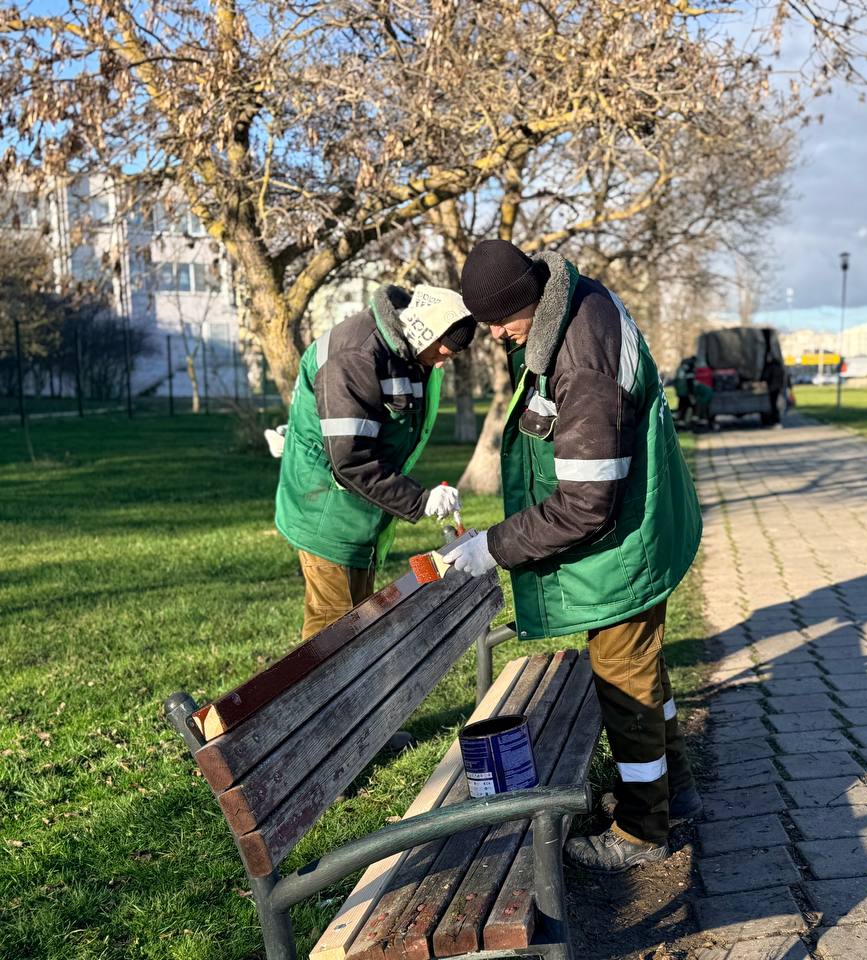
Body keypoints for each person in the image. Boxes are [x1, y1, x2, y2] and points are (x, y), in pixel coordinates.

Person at [442, 239, 703, 873]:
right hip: (639, 527)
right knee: (641, 669)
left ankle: (642, 831)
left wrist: (493, 547)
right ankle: (675, 791)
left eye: (500, 320)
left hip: (624, 546)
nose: (495, 334)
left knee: (624, 681)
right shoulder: (573, 304)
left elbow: (586, 505)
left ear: (529, 298)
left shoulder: (581, 357)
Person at [274, 284, 477, 639]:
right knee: (333, 638)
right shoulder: (356, 356)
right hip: (327, 512)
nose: (442, 362)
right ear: (424, 331)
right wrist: (420, 500)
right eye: (441, 352)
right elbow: (350, 459)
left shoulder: (406, 348)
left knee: (357, 624)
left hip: (357, 512)